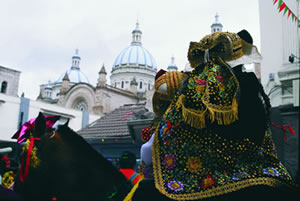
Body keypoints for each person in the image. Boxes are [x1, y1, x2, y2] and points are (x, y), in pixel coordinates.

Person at [132, 30, 298, 201]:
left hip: (194, 176)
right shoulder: (245, 83)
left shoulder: (195, 85)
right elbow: (255, 130)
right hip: (251, 171)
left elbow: (164, 138)